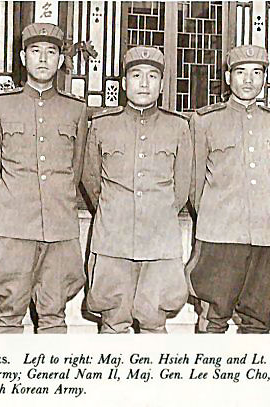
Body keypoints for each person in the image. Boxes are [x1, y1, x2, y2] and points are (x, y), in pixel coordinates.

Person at [0, 23, 88, 334]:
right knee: (8, 316)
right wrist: (7, 208)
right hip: (11, 228)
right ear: (23, 58)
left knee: (54, 317)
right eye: (35, 51)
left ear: (61, 61)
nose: (43, 59)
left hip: (58, 228)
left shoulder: (75, 109)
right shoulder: (1, 105)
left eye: (51, 52)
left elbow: (75, 170)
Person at [82, 46, 192, 334]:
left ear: (162, 84)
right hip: (112, 241)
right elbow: (92, 180)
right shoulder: (103, 126)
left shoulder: (178, 127)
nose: (144, 83)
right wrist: (114, 208)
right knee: (112, 322)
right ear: (123, 83)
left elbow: (181, 188)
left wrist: (159, 212)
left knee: (155, 323)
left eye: (152, 76)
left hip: (159, 242)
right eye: (136, 75)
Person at [188, 45, 270, 334]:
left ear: (264, 78)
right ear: (228, 77)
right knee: (213, 319)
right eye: (241, 72)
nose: (249, 79)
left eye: (257, 72)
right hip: (220, 236)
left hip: (266, 237)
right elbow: (195, 185)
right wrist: (215, 215)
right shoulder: (205, 121)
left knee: (258, 320)